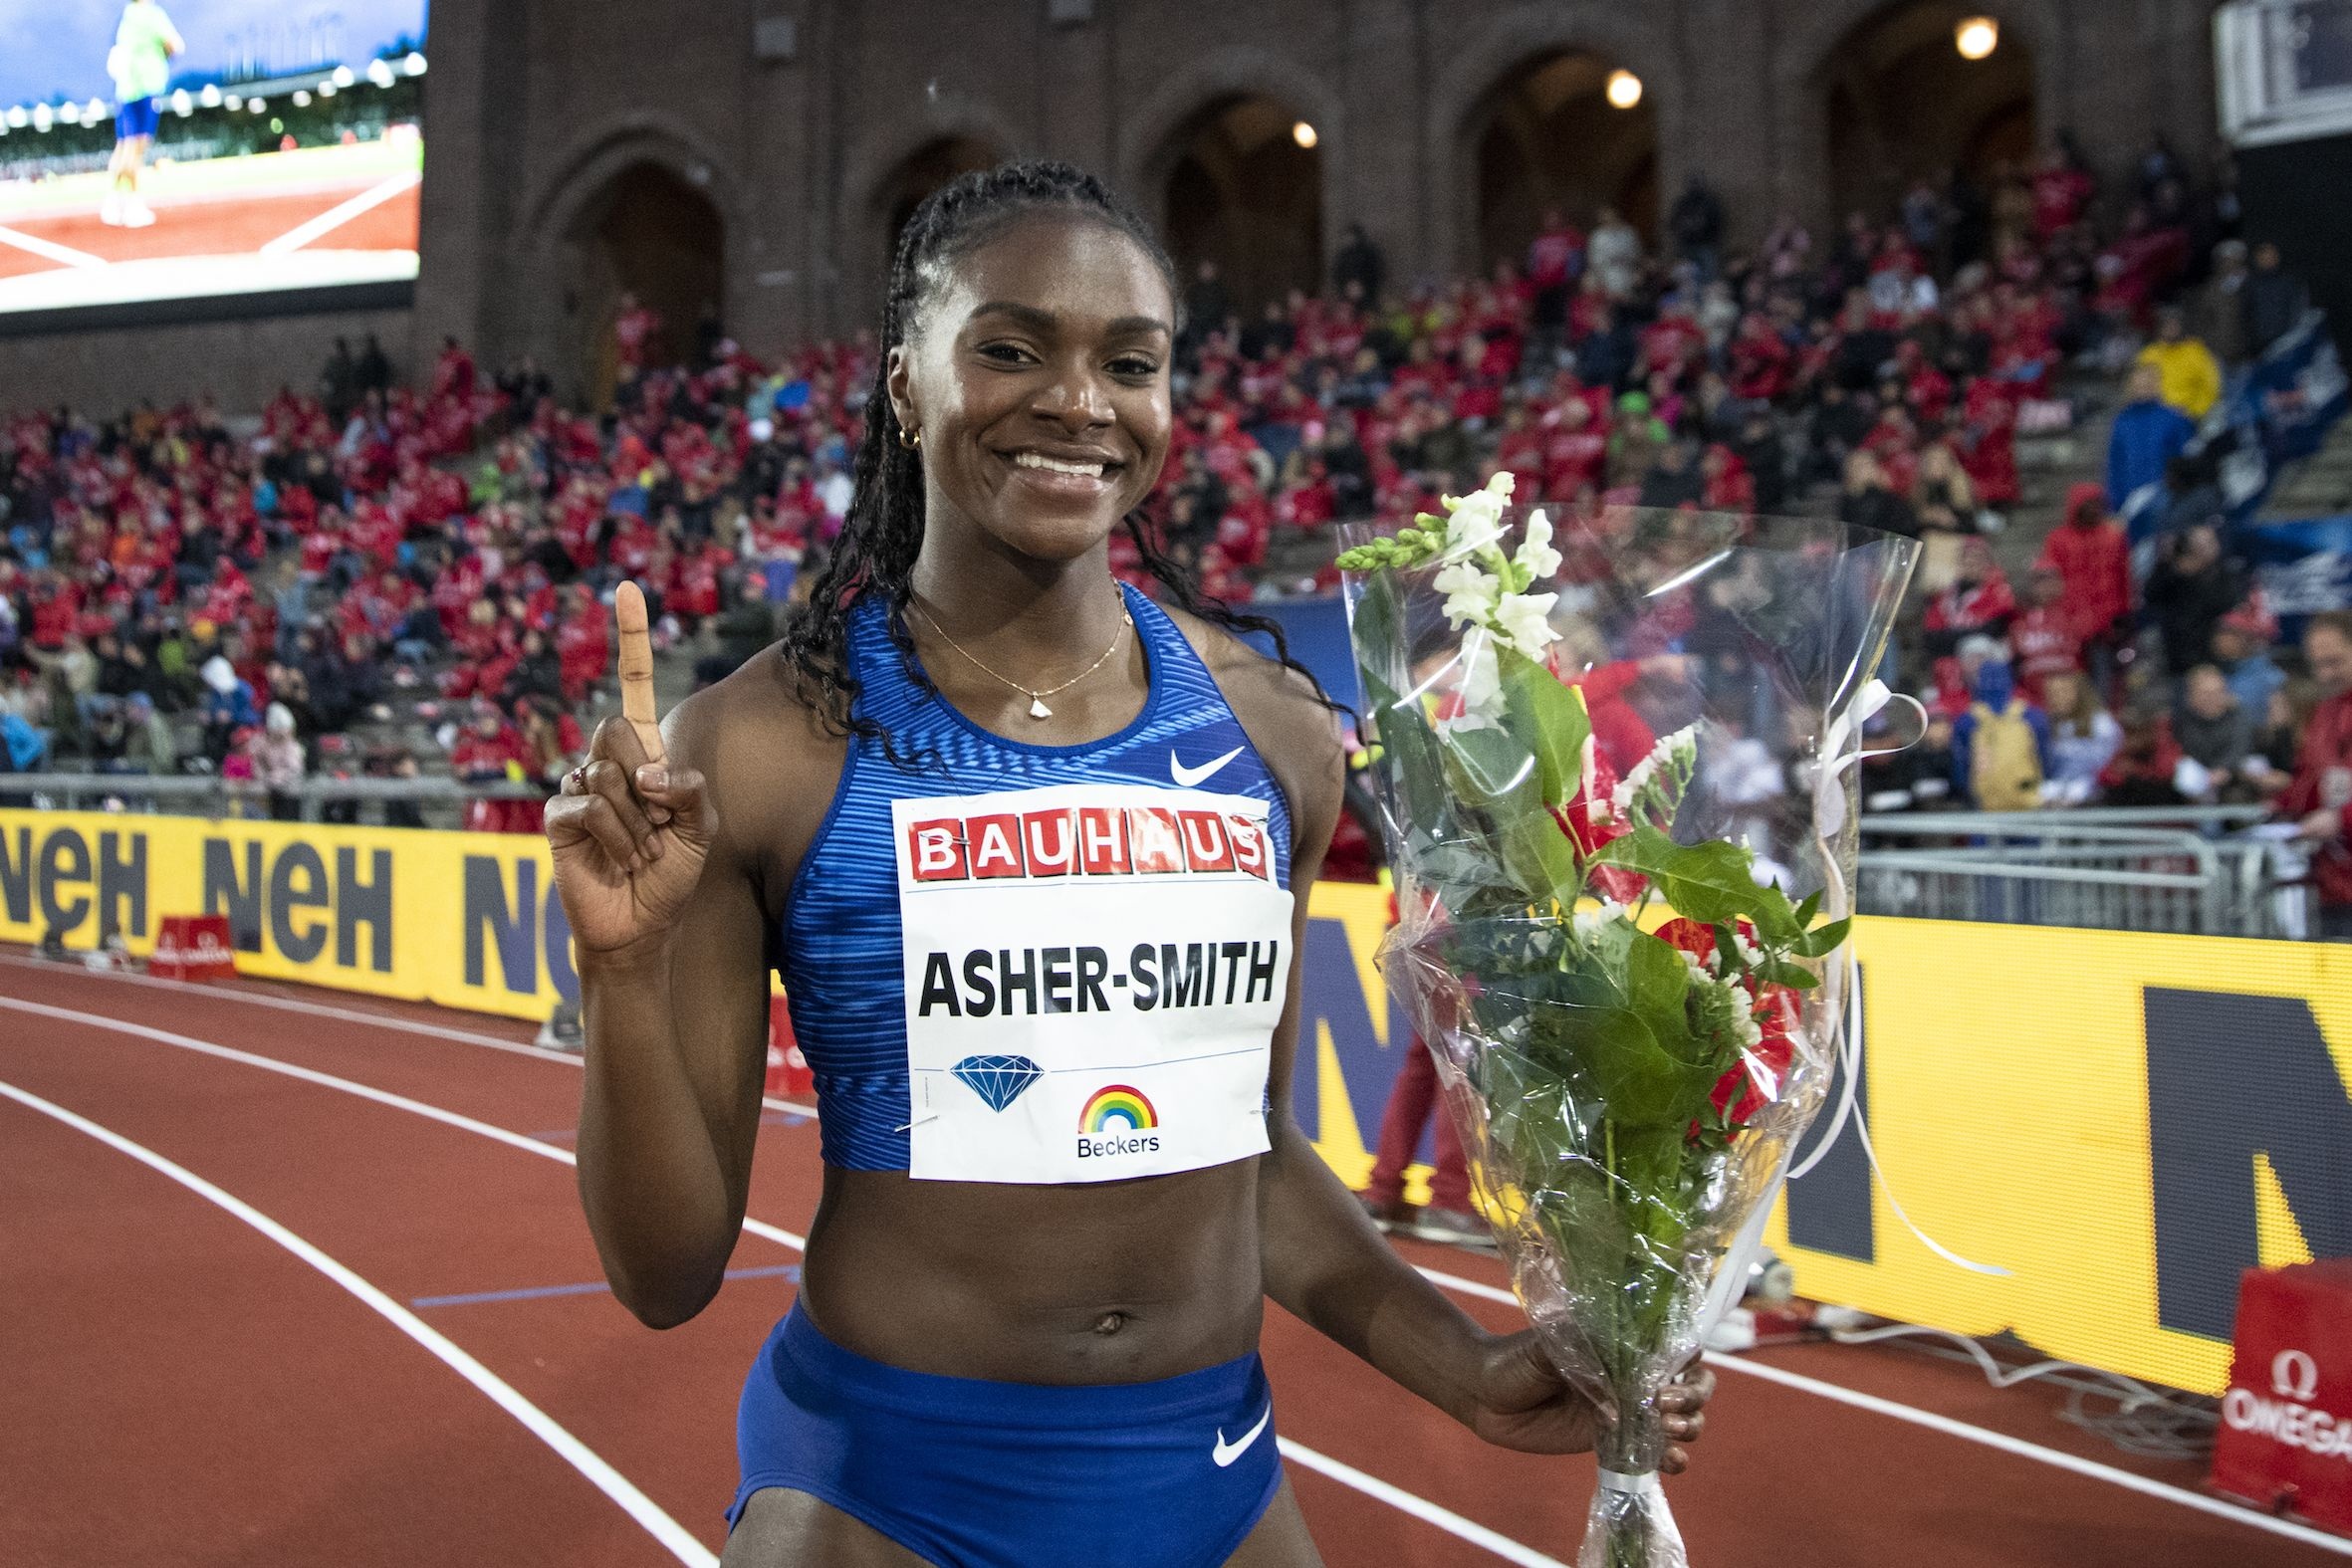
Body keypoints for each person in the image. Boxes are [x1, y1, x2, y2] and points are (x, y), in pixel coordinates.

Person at [545, 161, 1711, 1567]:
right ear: (906, 385)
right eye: (1010, 347)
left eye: (1129, 361)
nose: (1078, 400)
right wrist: (622, 969)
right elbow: (664, 1275)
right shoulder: (757, 748)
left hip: (1211, 1473)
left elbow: (1248, 1153)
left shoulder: (1275, 730)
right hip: (880, 1486)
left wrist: (1462, 1366)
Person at [2278, 613, 2352, 938]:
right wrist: (2282, 807)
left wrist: (2342, 819)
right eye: (2318, 665)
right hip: (2335, 883)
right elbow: (2311, 774)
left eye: (2334, 662)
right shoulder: (2326, 711)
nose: (2325, 674)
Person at [102, 0, 184, 229]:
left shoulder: (127, 16)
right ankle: (132, 204)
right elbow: (175, 45)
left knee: (124, 147)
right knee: (135, 148)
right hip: (145, 86)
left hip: (125, 89)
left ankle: (114, 201)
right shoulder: (151, 14)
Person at [2106, 363, 2196, 513]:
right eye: (2138, 384)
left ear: (2157, 384)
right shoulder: (2122, 421)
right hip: (2129, 501)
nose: (2143, 388)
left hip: (2166, 500)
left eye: (2148, 383)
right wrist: (2114, 505)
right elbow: (2115, 465)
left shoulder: (2174, 418)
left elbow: (2185, 460)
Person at [2040, 670, 2122, 805]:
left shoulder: (2101, 724)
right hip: (2058, 790)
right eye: (2053, 693)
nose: (2058, 697)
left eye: (2065, 691)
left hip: (2096, 793)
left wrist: (2082, 788)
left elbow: (2109, 765)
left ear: (2080, 693)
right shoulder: (2047, 725)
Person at [2135, 308, 2222, 420]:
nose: (2171, 328)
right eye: (2167, 324)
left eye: (2174, 324)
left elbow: (2211, 386)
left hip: (2191, 417)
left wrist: (2193, 411)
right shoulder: (2149, 355)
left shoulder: (2195, 350)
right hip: (2155, 418)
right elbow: (2138, 389)